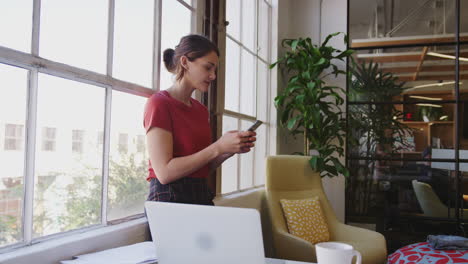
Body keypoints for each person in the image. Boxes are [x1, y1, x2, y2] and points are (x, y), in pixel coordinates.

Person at [143, 34, 256, 205]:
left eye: (215, 70)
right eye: (208, 68)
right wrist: (218, 147)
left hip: (200, 194)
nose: (213, 76)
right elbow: (164, 173)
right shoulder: (159, 103)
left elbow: (202, 167)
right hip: (169, 199)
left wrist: (228, 149)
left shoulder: (200, 111)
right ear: (185, 62)